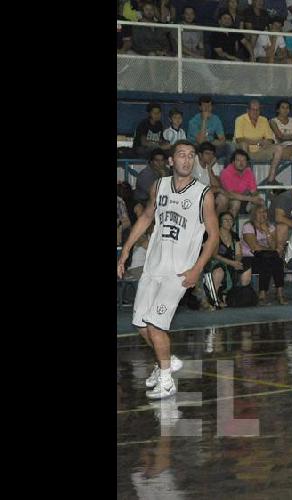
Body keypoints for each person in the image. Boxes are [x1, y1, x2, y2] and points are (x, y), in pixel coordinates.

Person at [117, 140, 221, 399]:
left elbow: (215, 236)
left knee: (155, 325)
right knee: (140, 324)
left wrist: (198, 268)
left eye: (191, 156)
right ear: (171, 161)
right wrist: (127, 249)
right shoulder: (159, 186)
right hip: (153, 268)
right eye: (181, 155)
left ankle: (166, 380)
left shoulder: (203, 194)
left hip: (179, 272)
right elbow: (146, 217)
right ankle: (167, 360)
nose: (186, 160)